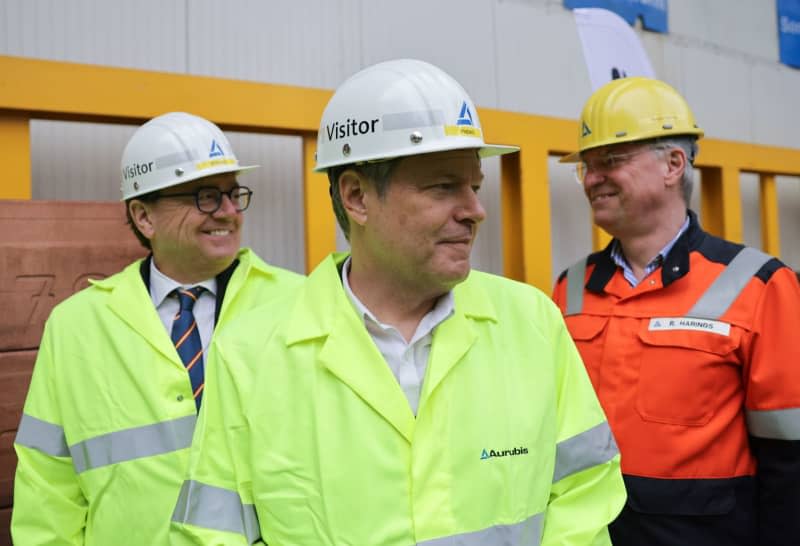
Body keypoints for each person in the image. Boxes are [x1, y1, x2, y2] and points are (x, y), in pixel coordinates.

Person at [170, 59, 625, 546]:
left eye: (473, 186)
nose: (475, 210)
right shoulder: (250, 353)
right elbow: (213, 534)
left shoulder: (532, 322)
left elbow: (583, 500)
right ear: (357, 197)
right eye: (444, 186)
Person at [12, 112, 303, 544]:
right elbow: (47, 485)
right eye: (205, 196)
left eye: (232, 193)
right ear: (144, 216)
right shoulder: (76, 326)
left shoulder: (299, 303)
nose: (227, 212)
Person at [553, 77, 800, 546]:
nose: (592, 178)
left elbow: (790, 457)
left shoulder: (760, 284)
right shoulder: (571, 287)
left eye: (611, 160)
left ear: (673, 164)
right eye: (586, 166)